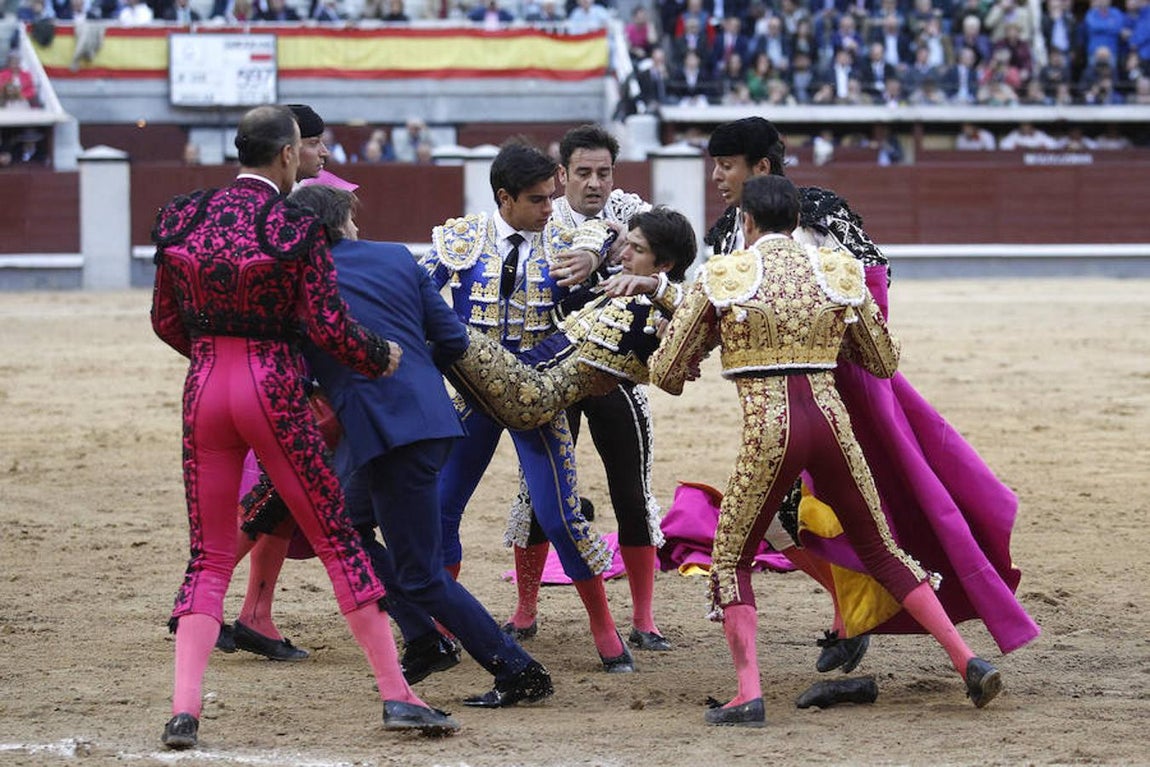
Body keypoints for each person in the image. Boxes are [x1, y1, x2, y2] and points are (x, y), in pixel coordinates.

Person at [150, 104, 457, 749]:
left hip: (205, 390)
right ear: (289, 155)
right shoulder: (294, 228)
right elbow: (326, 326)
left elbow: (165, 320)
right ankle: (397, 695)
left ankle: (184, 712)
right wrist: (377, 355)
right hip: (274, 389)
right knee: (338, 539)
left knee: (209, 555)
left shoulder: (183, 216)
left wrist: (212, 357)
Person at [649, 175, 1005, 727]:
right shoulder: (837, 271)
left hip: (770, 430)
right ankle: (968, 661)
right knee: (882, 548)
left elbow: (667, 371)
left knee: (732, 559)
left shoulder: (722, 275)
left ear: (746, 221)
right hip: (832, 423)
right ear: (796, 220)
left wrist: (702, 341)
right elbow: (882, 360)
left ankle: (748, 694)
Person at [702, 116, 1039, 675]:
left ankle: (848, 621)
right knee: (796, 519)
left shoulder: (819, 213)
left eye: (726, 165)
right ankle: (852, 613)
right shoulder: (723, 234)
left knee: (848, 513)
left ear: (759, 167)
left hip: (843, 388)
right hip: (777, 401)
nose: (716, 176)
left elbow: (873, 284)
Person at [286, 182, 555, 708]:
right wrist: (411, 375)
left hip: (391, 437)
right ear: (339, 223)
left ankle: (519, 670)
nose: (358, 227)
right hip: (425, 419)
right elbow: (452, 338)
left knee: (422, 576)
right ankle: (425, 639)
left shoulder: (302, 281)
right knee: (344, 525)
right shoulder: (395, 257)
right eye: (352, 219)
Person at [420, 139, 634, 672]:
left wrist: (596, 252)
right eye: (538, 200)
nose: (549, 209)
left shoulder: (567, 237)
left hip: (538, 395)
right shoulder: (462, 238)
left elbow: (606, 233)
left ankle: (606, 632)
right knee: (441, 510)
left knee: (560, 516)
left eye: (551, 197)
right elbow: (414, 292)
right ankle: (442, 628)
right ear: (505, 198)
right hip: (470, 394)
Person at [503, 124, 672, 653]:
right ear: (562, 174)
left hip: (616, 374)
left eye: (604, 172)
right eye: (583, 172)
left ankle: (644, 618)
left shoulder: (633, 212)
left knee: (631, 490)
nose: (595, 183)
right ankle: (525, 609)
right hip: (555, 371)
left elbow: (673, 259)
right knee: (538, 492)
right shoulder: (544, 216)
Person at [213, 103, 334, 662]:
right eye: (313, 143)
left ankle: (240, 608)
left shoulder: (314, 199)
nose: (323, 153)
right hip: (284, 382)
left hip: (252, 379)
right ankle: (220, 604)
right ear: (290, 151)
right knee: (278, 494)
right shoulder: (290, 214)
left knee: (276, 497)